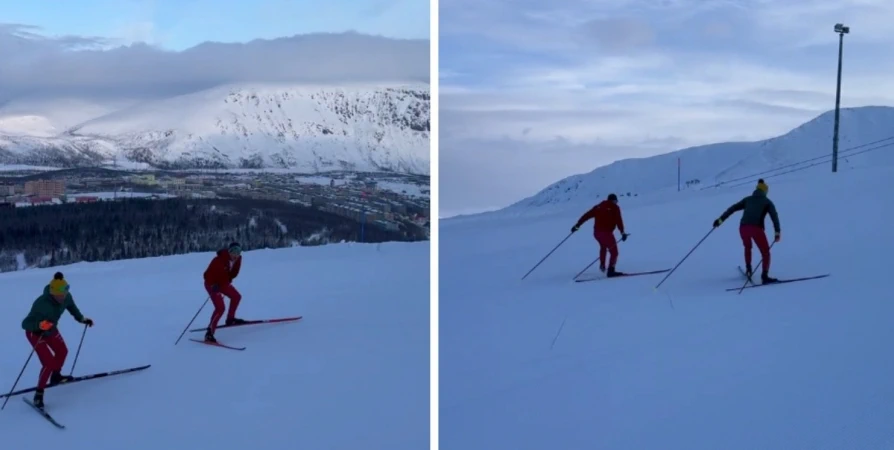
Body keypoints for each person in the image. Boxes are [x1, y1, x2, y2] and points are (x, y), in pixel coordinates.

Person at [21, 272, 94, 409]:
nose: (63, 297)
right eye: (60, 295)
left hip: (50, 329)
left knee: (62, 351)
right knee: (48, 363)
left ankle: (56, 376)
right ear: (53, 293)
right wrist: (39, 326)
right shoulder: (41, 303)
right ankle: (39, 394)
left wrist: (82, 319)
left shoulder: (66, 297)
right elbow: (25, 324)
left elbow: (72, 308)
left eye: (65, 293)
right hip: (35, 333)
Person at [713, 178, 781, 284]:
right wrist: (777, 232)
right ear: (765, 191)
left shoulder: (748, 199)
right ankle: (765, 276)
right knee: (765, 252)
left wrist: (720, 220)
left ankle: (749, 269)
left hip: (743, 228)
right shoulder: (767, 202)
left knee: (748, 247)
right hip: (756, 228)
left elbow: (733, 208)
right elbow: (774, 217)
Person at [571, 193, 630, 277]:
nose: (617, 203)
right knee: (614, 252)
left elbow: (586, 216)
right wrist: (622, 232)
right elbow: (619, 221)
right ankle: (611, 271)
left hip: (597, 233)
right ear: (614, 200)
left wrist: (577, 225)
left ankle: (602, 265)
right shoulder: (615, 208)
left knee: (603, 247)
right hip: (606, 233)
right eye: (616, 201)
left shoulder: (599, 206)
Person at [202, 242, 245, 342]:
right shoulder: (218, 260)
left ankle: (230, 319)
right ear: (229, 251)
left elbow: (234, 273)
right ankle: (209, 333)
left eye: (238, 252)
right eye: (233, 252)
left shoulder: (237, 260)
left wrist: (228, 278)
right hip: (211, 284)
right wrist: (213, 285)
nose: (235, 255)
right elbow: (206, 275)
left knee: (236, 297)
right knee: (220, 308)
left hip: (223, 283)